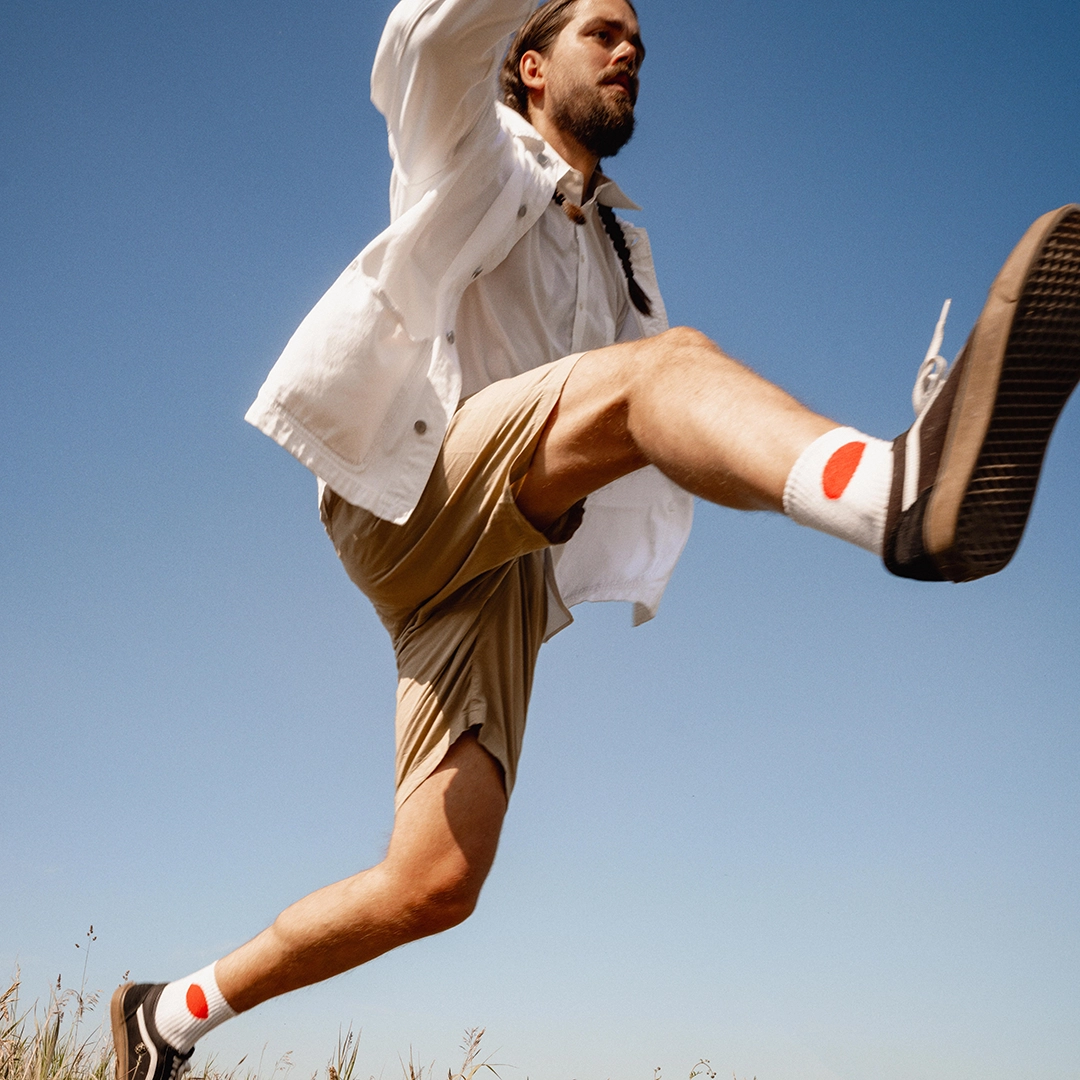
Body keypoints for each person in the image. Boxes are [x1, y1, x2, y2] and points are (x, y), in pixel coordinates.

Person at [110, 0, 1080, 1077]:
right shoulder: (468, 148)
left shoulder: (624, 249)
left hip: (501, 562)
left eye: (640, 44)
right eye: (603, 33)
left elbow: (672, 437)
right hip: (411, 494)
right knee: (665, 371)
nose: (631, 52)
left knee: (435, 881)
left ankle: (168, 1016)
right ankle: (896, 490)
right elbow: (427, 44)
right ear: (527, 63)